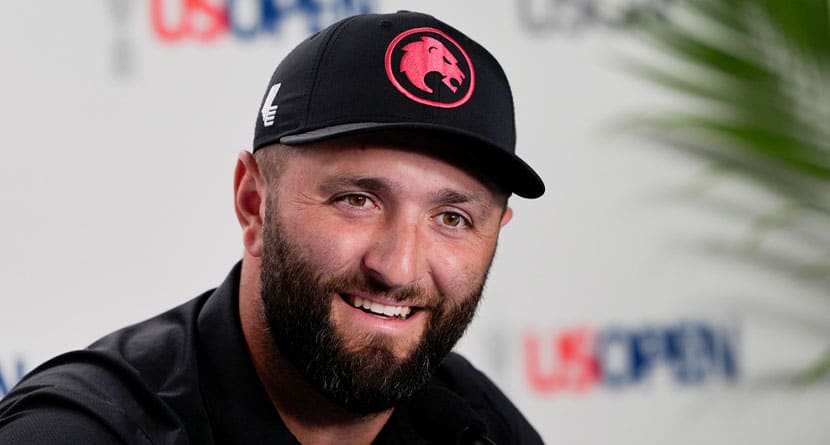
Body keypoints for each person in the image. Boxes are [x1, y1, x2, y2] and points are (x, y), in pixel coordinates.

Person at [0, 10, 545, 445]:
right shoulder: (80, 432)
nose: (398, 267)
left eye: (453, 218)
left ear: (498, 230)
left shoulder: (479, 422)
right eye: (357, 200)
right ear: (254, 202)